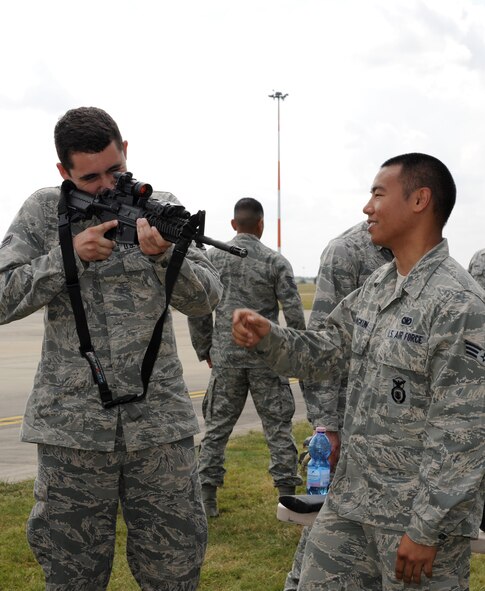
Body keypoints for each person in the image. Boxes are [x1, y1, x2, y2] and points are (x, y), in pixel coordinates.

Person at [233, 153, 485, 590]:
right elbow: (327, 350)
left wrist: (426, 528)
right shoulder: (381, 284)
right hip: (352, 501)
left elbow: (463, 432)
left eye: (377, 194)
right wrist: (268, 336)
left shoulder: (459, 304)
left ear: (420, 200)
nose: (367, 207)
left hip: (414, 518)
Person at [0, 107, 223, 590]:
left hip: (159, 429)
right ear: (63, 171)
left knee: (175, 569)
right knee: (72, 575)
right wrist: (66, 258)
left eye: (115, 170)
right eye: (90, 176)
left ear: (127, 151)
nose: (105, 185)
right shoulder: (44, 211)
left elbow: (208, 296)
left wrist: (165, 256)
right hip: (72, 432)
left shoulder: (161, 206)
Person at [283, 221, 393, 591]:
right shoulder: (347, 251)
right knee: (328, 530)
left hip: (392, 427)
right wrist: (327, 427)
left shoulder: (413, 252)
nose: (370, 206)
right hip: (348, 420)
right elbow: (321, 345)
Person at [188, 197, 305, 517]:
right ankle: (286, 499)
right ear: (261, 225)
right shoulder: (274, 261)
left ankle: (207, 498)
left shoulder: (212, 258)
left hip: (226, 358)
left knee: (216, 429)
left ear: (233, 225)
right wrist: (296, 353)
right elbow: (293, 313)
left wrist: (205, 348)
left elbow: (199, 307)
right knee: (279, 429)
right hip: (268, 357)